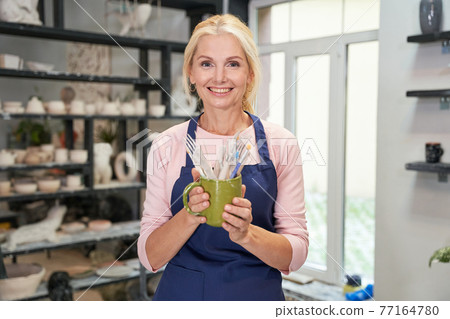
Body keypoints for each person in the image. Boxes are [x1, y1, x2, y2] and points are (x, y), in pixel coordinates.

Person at [137, 14, 308, 301]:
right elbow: (149, 256)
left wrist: (246, 234)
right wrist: (191, 215)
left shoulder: (282, 143)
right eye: (206, 64)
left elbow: (296, 253)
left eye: (233, 64)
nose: (219, 77)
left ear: (250, 73)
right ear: (191, 73)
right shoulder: (167, 144)